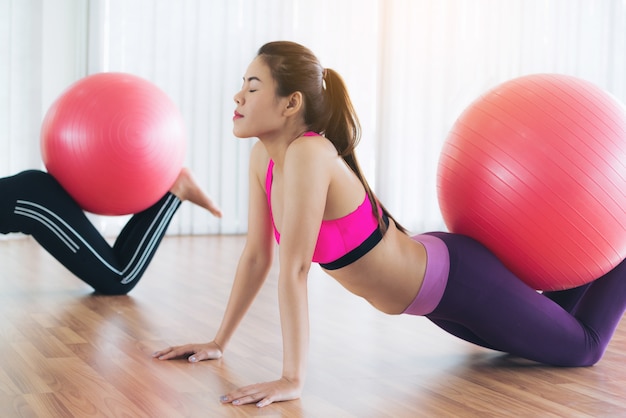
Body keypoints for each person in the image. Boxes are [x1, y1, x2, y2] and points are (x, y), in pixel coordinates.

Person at [153, 41, 626, 408]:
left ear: (290, 102)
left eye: (253, 86)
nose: (238, 94)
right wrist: (218, 342)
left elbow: (295, 270)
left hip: (460, 282)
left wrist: (292, 379)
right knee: (548, 340)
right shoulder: (264, 157)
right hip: (435, 303)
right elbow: (258, 255)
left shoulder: (310, 153)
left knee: (582, 348)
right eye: (243, 83)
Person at [0, 168, 221, 294]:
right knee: (115, 266)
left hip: (31, 203)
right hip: (27, 197)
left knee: (120, 280)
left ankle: (177, 189)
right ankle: (172, 191)